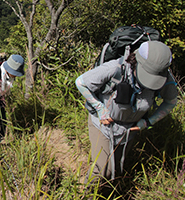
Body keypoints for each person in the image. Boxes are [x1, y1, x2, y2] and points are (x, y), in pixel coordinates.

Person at [75, 41, 178, 192]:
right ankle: (85, 194)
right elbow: (81, 82)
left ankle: (105, 193)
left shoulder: (163, 76)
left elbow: (170, 102)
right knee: (103, 170)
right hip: (103, 125)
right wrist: (100, 109)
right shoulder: (115, 69)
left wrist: (148, 122)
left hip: (129, 130)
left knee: (116, 169)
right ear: (135, 61)